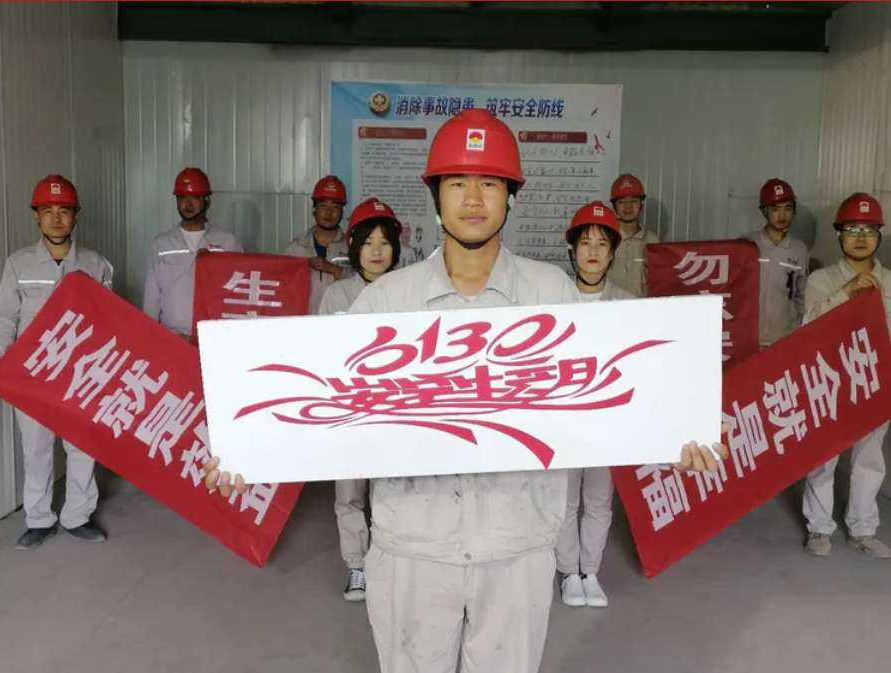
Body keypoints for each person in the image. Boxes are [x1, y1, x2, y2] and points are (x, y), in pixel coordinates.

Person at [205, 110, 727, 673]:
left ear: (511, 196)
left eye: (490, 184)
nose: (473, 199)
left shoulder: (552, 294)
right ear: (435, 195)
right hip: (413, 546)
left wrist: (683, 427)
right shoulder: (386, 302)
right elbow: (327, 399)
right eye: (457, 183)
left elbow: (607, 388)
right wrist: (247, 446)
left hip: (517, 545)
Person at [0, 175, 114, 550]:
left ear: (76, 215)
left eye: (63, 210)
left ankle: (78, 515)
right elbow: (4, 320)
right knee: (36, 449)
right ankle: (39, 519)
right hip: (32, 377)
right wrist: (4, 369)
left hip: (81, 375)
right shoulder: (18, 264)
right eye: (47, 210)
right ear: (36, 216)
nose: (56, 218)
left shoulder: (95, 265)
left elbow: (109, 321)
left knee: (83, 447)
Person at [318, 197, 402, 602]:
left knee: (392, 488)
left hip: (394, 408)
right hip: (349, 409)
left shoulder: (408, 294)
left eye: (384, 243)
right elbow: (321, 351)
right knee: (349, 493)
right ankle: (357, 566)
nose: (376, 251)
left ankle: (389, 563)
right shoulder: (337, 295)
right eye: (368, 242)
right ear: (353, 247)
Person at [802, 192, 891, 559]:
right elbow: (808, 326)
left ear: (879, 235)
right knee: (823, 456)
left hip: (876, 382)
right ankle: (819, 528)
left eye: (868, 230)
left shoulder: (890, 282)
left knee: (869, 458)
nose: (860, 238)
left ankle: (863, 529)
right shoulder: (821, 280)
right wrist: (845, 293)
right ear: (839, 235)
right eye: (852, 230)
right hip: (831, 380)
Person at [556, 200, 633, 608]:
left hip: (607, 419)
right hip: (565, 417)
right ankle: (569, 573)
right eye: (585, 242)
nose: (592, 251)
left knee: (600, 499)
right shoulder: (555, 298)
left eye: (602, 244)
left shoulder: (628, 302)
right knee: (566, 499)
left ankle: (591, 571)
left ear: (613, 253)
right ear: (572, 248)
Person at [143, 167, 243, 338]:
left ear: (207, 200)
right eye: (182, 197)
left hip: (215, 338)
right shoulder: (161, 245)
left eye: (195, 197)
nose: (187, 203)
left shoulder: (227, 243)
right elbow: (151, 300)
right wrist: (150, 337)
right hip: (173, 338)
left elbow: (239, 293)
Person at [746, 178, 809, 348]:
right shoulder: (747, 244)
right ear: (764, 211)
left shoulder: (799, 249)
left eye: (788, 209)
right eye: (775, 209)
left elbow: (802, 294)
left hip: (786, 338)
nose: (782, 215)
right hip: (751, 338)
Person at [286, 175, 350, 314]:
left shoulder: (351, 247)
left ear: (342, 212)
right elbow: (285, 289)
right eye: (323, 206)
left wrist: (334, 269)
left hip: (340, 320)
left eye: (335, 207)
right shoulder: (296, 247)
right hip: (305, 321)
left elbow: (362, 285)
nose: (329, 212)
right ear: (314, 209)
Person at [607, 173, 659, 297]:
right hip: (609, 306)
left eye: (633, 201)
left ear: (641, 205)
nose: (628, 207)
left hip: (642, 307)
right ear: (614, 206)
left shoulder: (652, 241)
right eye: (622, 202)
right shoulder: (605, 239)